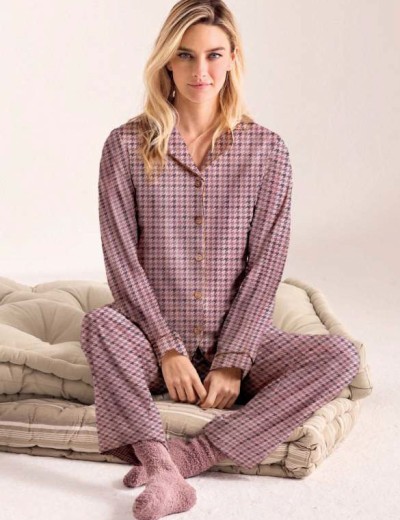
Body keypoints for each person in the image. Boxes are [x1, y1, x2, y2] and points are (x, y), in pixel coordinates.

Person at [80, 1, 360, 518]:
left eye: (213, 55)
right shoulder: (125, 146)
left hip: (239, 343)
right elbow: (121, 261)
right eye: (185, 55)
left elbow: (266, 266)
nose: (200, 71)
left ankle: (193, 456)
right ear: (167, 61)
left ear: (232, 59)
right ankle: (160, 467)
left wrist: (233, 360)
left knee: (342, 356)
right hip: (151, 343)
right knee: (99, 324)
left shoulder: (267, 151)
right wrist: (166, 348)